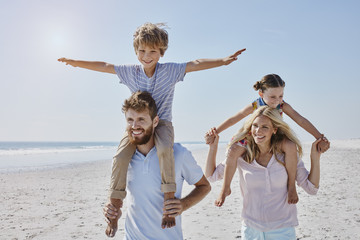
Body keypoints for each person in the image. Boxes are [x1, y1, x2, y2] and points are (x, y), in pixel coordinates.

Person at [58, 22, 245, 230]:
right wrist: (75, 62)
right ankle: (115, 206)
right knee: (120, 157)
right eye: (142, 51)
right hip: (138, 125)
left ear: (161, 52)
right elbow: (104, 66)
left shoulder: (170, 71)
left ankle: (168, 201)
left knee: (165, 149)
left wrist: (222, 61)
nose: (147, 56)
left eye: (153, 51)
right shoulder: (131, 72)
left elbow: (195, 63)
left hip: (162, 123)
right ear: (136, 51)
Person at [205, 73, 329, 206]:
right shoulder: (255, 105)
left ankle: (291, 186)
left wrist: (319, 137)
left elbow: (301, 120)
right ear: (261, 94)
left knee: (291, 146)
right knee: (234, 151)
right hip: (254, 136)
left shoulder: (282, 106)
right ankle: (225, 189)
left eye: (281, 96)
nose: (277, 100)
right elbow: (234, 118)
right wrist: (216, 131)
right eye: (273, 97)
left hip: (276, 135)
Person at [103, 91, 211, 239]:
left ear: (155, 122)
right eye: (130, 120)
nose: (134, 126)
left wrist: (183, 204)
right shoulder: (123, 159)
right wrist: (114, 212)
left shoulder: (179, 153)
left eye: (141, 119)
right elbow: (129, 202)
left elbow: (205, 186)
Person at [205, 106, 322, 240]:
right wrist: (212, 147)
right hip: (251, 230)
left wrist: (315, 157)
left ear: (274, 130)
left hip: (282, 229)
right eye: (255, 126)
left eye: (265, 127)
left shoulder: (287, 155)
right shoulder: (242, 155)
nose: (258, 131)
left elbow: (312, 189)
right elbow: (211, 176)